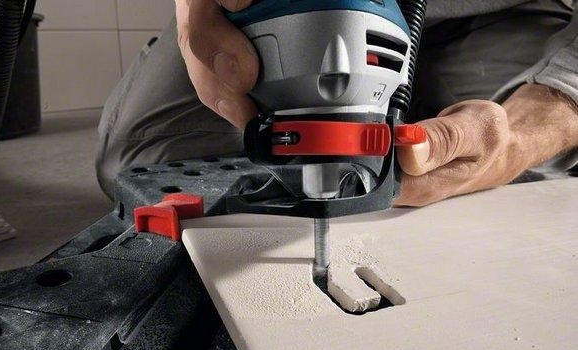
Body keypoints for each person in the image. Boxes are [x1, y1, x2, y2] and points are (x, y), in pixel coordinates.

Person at [96, 0, 578, 207]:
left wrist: (532, 128)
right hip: (287, 17)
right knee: (143, 160)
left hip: (506, 12)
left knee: (509, 176)